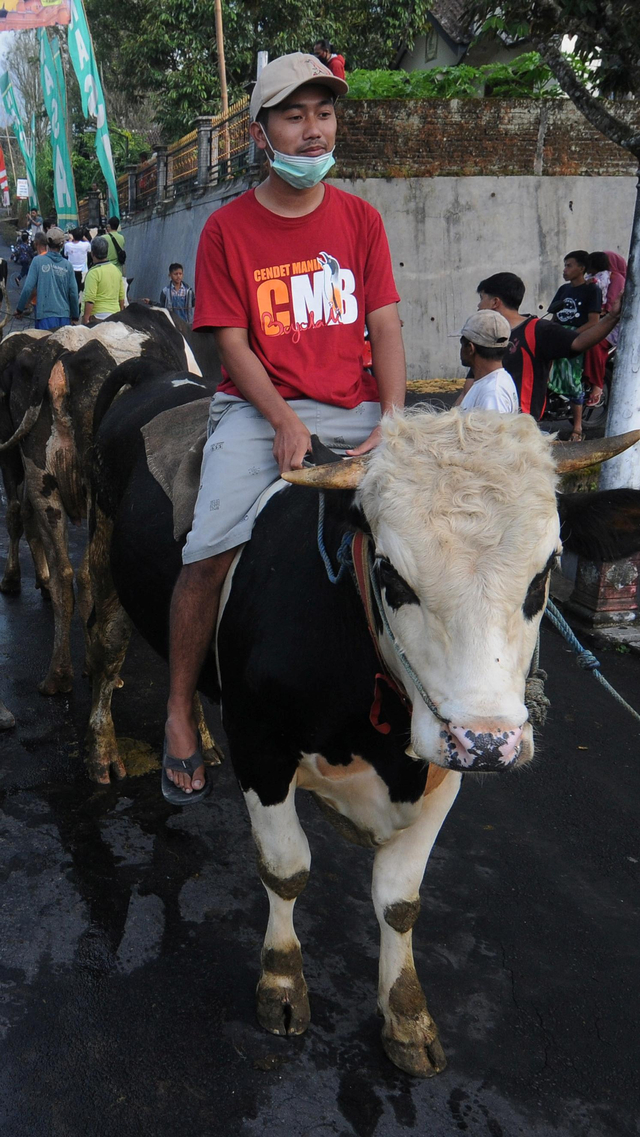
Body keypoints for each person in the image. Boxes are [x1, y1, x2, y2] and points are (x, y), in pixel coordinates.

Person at [163, 51, 405, 801]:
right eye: (294, 115)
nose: (312, 131)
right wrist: (279, 421)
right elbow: (229, 341)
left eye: (323, 114)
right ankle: (176, 707)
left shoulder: (361, 219)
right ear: (262, 131)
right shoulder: (227, 230)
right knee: (206, 553)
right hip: (256, 407)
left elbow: (386, 324)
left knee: (432, 535)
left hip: (361, 404)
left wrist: (395, 418)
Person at [471, 272, 620, 422]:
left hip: (521, 428)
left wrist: (612, 317)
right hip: (486, 426)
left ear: (495, 302)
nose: (478, 306)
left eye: (482, 299)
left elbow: (579, 342)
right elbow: (469, 386)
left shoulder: (538, 330)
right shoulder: (486, 335)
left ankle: (577, 427)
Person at [546, 250, 602, 440]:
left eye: (569, 265)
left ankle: (577, 428)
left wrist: (570, 336)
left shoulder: (592, 290)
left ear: (581, 268)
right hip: (559, 334)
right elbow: (554, 316)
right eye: (565, 265)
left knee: (572, 379)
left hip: (577, 337)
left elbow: (594, 321)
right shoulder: (563, 290)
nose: (565, 270)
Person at [15, 226, 79, 330]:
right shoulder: (68, 265)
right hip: (64, 317)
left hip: (44, 317)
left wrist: (19, 309)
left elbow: (27, 288)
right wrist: (75, 316)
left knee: (43, 345)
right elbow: (73, 293)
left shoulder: (37, 261)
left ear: (48, 242)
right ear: (62, 244)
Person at [456, 311, 518, 412]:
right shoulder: (491, 383)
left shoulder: (493, 393)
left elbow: (494, 427)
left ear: (471, 348)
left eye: (462, 343)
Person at [583, 251, 611, 406]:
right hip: (589, 316)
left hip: (605, 321)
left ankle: (597, 385)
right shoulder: (588, 278)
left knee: (592, 344)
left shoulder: (604, 277)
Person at [81, 235, 125, 323]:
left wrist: (86, 319)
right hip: (115, 316)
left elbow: (90, 299)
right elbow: (121, 297)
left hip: (97, 317)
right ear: (107, 252)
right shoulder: (117, 271)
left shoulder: (94, 273)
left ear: (92, 253)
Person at [64, 227, 92, 295]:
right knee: (81, 289)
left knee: (72, 289)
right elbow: (89, 248)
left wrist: (70, 239)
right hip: (83, 270)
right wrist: (83, 237)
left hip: (71, 270)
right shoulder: (86, 245)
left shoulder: (67, 245)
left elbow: (65, 254)